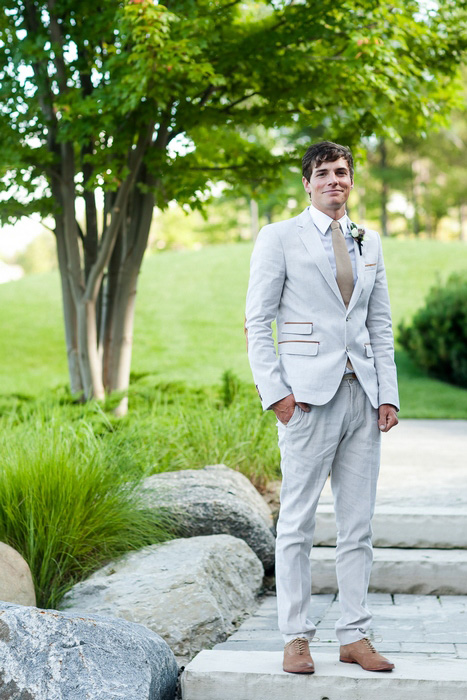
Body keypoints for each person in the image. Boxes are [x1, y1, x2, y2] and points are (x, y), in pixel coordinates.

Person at [244, 140, 399, 674]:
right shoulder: (279, 237)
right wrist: (277, 395)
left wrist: (389, 393)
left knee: (358, 527)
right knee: (298, 525)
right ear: (306, 182)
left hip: (363, 396)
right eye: (324, 172)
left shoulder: (369, 239)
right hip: (306, 400)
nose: (336, 180)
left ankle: (355, 636)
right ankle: (296, 637)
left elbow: (379, 323)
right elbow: (257, 322)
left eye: (343, 171)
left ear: (351, 181)